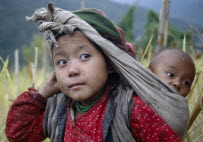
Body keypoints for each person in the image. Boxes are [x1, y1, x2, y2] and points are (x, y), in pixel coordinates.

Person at [6, 3, 188, 142]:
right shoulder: (57, 108)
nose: (72, 70)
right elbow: (18, 134)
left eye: (84, 56)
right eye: (62, 62)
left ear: (110, 63)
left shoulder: (130, 108)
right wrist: (42, 94)